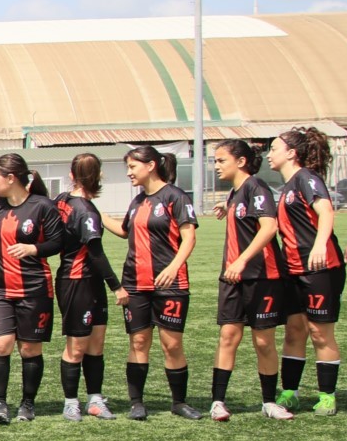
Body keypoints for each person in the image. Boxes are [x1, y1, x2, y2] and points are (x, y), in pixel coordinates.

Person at [0, 154, 66, 425]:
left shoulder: (43, 206)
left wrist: (34, 248)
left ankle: (27, 403)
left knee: (29, 349)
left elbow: (59, 242)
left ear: (11, 179)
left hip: (34, 289)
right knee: (0, 345)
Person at [105, 145, 200, 420]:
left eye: (133, 167)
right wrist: (95, 213)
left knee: (171, 344)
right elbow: (124, 232)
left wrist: (173, 266)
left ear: (151, 166)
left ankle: (179, 402)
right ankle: (137, 402)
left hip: (170, 284)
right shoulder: (137, 202)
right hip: (135, 283)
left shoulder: (175, 197)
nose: (129, 172)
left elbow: (189, 237)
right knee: (138, 341)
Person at [207, 141, 294, 422]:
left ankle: (269, 402)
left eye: (221, 160)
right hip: (232, 278)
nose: (216, 166)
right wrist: (228, 205)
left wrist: (242, 261)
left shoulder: (257, 186)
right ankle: (218, 402)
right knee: (228, 337)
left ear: (241, 161)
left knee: (263, 342)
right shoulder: (236, 193)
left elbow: (269, 227)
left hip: (261, 277)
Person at [269, 127, 345, 414]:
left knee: (320, 332)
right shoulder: (287, 186)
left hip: (319, 269)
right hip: (292, 270)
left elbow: (325, 211)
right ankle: (290, 391)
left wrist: (319, 245)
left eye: (274, 148)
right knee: (294, 330)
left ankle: (327, 395)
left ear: (292, 153)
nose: (269, 154)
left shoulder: (306, 178)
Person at [54, 155, 120, 421]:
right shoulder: (83, 210)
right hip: (75, 281)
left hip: (90, 282)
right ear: (99, 176)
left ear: (72, 175)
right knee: (77, 344)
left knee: (96, 343)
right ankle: (70, 402)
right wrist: (117, 286)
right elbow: (96, 253)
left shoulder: (65, 201)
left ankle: (94, 399)